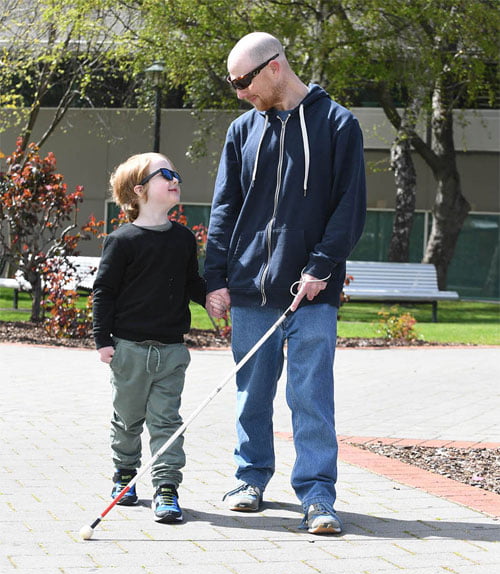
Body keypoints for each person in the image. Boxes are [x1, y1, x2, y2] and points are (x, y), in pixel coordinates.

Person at [204, 32, 366, 535]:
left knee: (310, 398)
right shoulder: (241, 131)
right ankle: (249, 478)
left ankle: (317, 495)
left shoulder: (339, 124)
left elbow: (350, 209)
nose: (238, 93)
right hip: (252, 289)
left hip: (312, 295)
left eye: (242, 81)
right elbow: (224, 208)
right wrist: (215, 280)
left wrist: (319, 268)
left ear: (273, 67)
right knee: (251, 395)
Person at [93, 152, 219, 523]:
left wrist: (211, 297)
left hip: (171, 350)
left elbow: (191, 283)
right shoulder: (122, 240)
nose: (174, 178)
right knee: (128, 420)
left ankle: (166, 487)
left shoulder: (182, 239)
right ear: (140, 190)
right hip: (129, 349)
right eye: (165, 174)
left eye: (175, 173)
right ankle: (125, 476)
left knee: (167, 421)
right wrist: (103, 340)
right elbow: (104, 292)